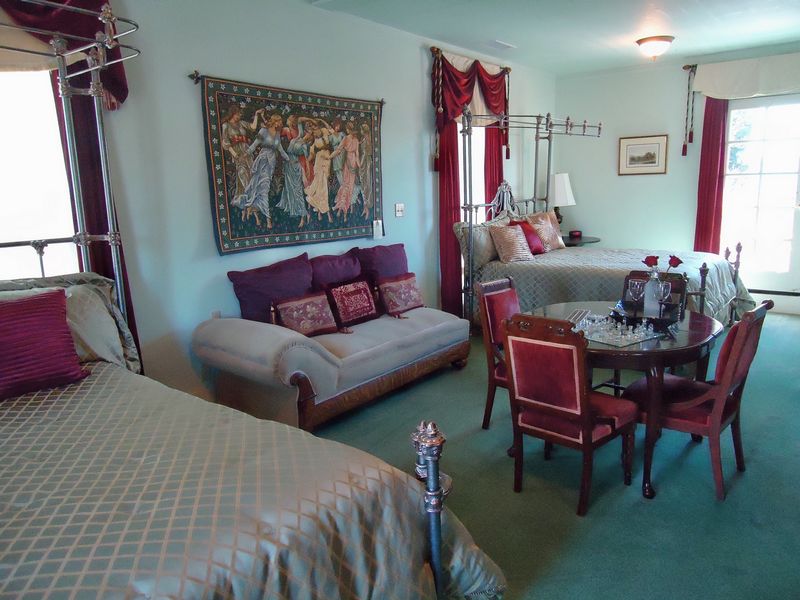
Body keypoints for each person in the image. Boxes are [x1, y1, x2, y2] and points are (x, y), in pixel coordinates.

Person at [232, 113, 288, 229]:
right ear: (275, 122)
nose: (281, 124)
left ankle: (251, 210)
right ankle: (267, 219)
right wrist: (245, 155)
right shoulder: (263, 131)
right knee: (256, 188)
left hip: (270, 164)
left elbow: (281, 149)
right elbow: (254, 145)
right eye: (280, 121)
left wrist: (289, 159)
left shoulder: (277, 134)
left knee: (264, 189)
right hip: (261, 162)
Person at [277, 126, 312, 228]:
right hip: (288, 167)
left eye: (309, 134)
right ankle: (303, 213)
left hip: (296, 167)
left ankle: (303, 216)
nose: (307, 134)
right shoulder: (294, 140)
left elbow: (306, 159)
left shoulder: (305, 146)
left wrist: (307, 170)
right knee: (290, 190)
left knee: (298, 191)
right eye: (307, 132)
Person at [220, 105, 258, 198]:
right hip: (237, 152)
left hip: (246, 151)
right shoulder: (226, 125)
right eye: (238, 114)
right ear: (232, 114)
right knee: (242, 172)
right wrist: (234, 154)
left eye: (240, 114)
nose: (239, 116)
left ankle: (250, 195)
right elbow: (225, 142)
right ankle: (248, 195)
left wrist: (256, 115)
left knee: (251, 172)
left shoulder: (241, 123)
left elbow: (253, 127)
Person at [303, 123, 334, 223]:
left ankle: (320, 210)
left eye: (316, 129)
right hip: (319, 162)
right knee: (321, 187)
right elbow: (311, 156)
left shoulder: (325, 132)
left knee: (324, 186)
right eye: (313, 130)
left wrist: (321, 121)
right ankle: (324, 212)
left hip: (327, 160)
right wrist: (304, 162)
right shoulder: (313, 144)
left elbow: (332, 130)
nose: (315, 132)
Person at [330, 121, 361, 220]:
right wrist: (359, 166)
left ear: (348, 130)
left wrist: (329, 157)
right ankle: (343, 208)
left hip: (348, 163)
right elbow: (357, 155)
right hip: (352, 163)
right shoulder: (356, 140)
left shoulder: (346, 138)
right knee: (348, 186)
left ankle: (343, 207)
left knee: (346, 185)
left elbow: (338, 150)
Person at [356, 122, 373, 219]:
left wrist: (360, 164)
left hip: (365, 162)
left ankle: (367, 207)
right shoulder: (364, 139)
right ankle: (365, 207)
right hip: (364, 161)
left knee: (366, 184)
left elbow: (366, 152)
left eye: (361, 130)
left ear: (364, 130)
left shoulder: (367, 139)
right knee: (364, 185)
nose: (360, 131)